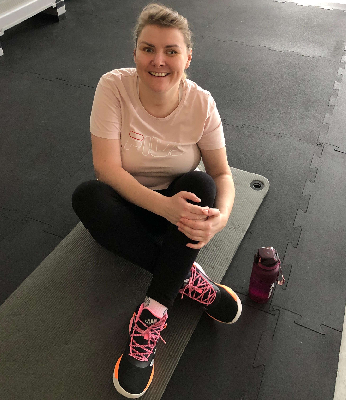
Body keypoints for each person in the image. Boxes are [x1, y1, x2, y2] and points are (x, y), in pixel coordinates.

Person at [72, 3, 242, 398]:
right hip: (130, 204)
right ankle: (190, 281)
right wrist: (163, 206)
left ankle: (153, 312)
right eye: (148, 49)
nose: (158, 60)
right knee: (87, 196)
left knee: (201, 183)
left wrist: (221, 217)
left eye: (171, 51)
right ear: (135, 53)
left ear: (188, 57)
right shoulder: (113, 86)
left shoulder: (202, 103)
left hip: (176, 211)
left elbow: (223, 174)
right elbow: (106, 169)